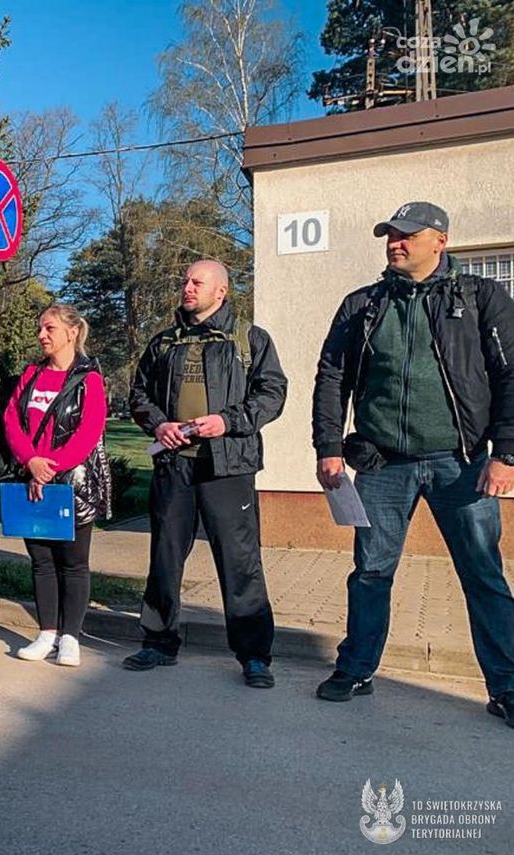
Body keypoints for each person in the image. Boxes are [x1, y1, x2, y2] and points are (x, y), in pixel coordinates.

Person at [312, 202, 514, 725]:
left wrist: (507, 453)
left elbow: (512, 376)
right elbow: (331, 378)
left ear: (440, 241)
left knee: (483, 574)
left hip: (462, 463)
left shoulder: (480, 298)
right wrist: (328, 447)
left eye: (407, 235)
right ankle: (355, 668)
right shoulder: (363, 305)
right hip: (383, 466)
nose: (395, 243)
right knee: (371, 572)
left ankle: (507, 686)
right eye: (390, 235)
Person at [125, 260, 287, 687]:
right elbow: (138, 393)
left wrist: (229, 421)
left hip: (228, 465)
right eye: (185, 281)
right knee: (164, 557)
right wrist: (158, 423)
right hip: (173, 465)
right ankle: (158, 642)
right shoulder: (164, 343)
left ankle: (254, 656)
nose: (187, 287)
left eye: (197, 282)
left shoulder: (249, 340)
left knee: (240, 562)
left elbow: (272, 393)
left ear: (222, 291)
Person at [4, 303, 111, 667]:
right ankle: (46, 632)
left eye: (49, 328)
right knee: (41, 562)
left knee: (74, 563)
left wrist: (51, 467)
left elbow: (89, 432)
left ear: (71, 332)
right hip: (32, 479)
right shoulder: (31, 375)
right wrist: (30, 462)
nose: (41, 335)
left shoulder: (89, 379)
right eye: (40, 329)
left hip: (71, 485)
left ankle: (71, 637)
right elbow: (11, 420)